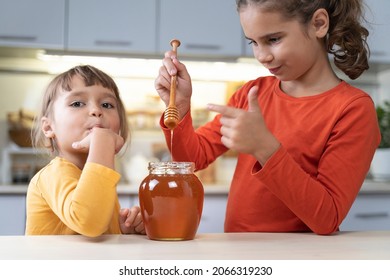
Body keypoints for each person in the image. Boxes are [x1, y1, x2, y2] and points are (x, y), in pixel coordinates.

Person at [155, 0, 381, 235]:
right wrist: (179, 106)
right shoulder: (253, 92)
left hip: (299, 260)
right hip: (238, 250)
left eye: (273, 40)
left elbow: (327, 218)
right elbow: (191, 160)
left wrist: (265, 148)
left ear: (319, 24)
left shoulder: (353, 109)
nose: (262, 56)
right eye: (253, 42)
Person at [26, 65, 145, 237]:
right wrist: (102, 142)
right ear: (48, 127)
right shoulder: (54, 174)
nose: (96, 111)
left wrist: (124, 231)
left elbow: (97, 237)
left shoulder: (99, 177)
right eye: (77, 103)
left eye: (107, 104)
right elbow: (89, 223)